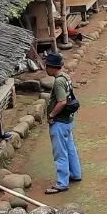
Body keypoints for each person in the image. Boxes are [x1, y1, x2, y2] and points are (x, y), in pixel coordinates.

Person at [43, 52, 82, 195]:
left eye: (47, 66)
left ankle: (62, 182)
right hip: (68, 120)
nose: (45, 68)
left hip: (59, 121)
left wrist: (52, 115)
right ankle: (75, 174)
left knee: (60, 153)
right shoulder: (65, 77)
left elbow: (62, 101)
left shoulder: (58, 81)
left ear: (52, 67)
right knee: (70, 148)